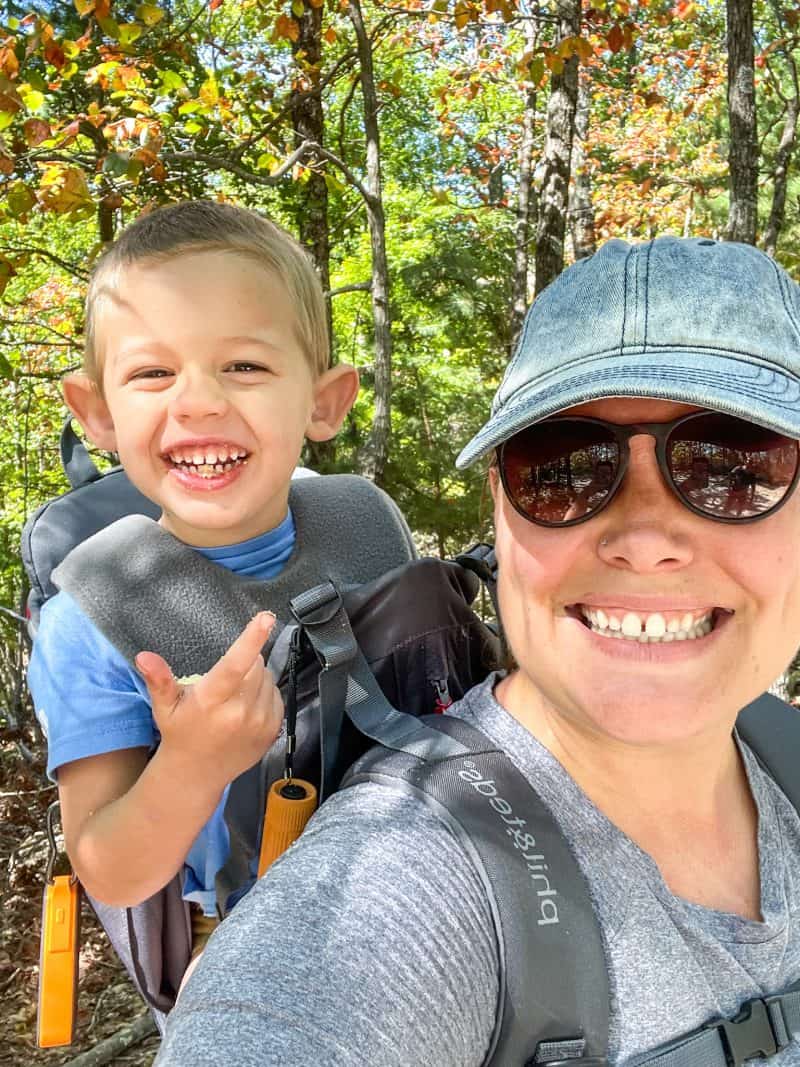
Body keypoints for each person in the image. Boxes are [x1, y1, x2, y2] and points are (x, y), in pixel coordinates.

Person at [154, 236, 800, 1066]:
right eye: (562, 468)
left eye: (734, 467)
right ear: (500, 508)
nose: (644, 538)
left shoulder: (782, 758)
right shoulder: (396, 889)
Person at [27, 200, 360, 956]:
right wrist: (192, 764)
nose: (200, 400)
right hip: (246, 959)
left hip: (434, 911)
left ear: (323, 400)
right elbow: (108, 869)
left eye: (244, 365)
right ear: (98, 414)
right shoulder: (96, 615)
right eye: (152, 372)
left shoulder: (367, 527)